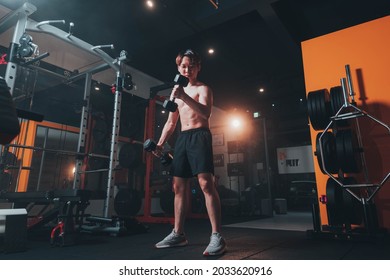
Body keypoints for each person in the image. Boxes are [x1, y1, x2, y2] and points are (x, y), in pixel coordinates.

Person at [154, 49, 226, 256]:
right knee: (178, 186)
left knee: (206, 183)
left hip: (200, 136)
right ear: (178, 68)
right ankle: (178, 234)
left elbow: (205, 112)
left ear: (198, 68)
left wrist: (183, 95)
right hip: (183, 139)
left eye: (192, 66)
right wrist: (160, 144)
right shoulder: (175, 95)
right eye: (184, 66)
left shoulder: (204, 89)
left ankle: (217, 236)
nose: (188, 69)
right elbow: (170, 123)